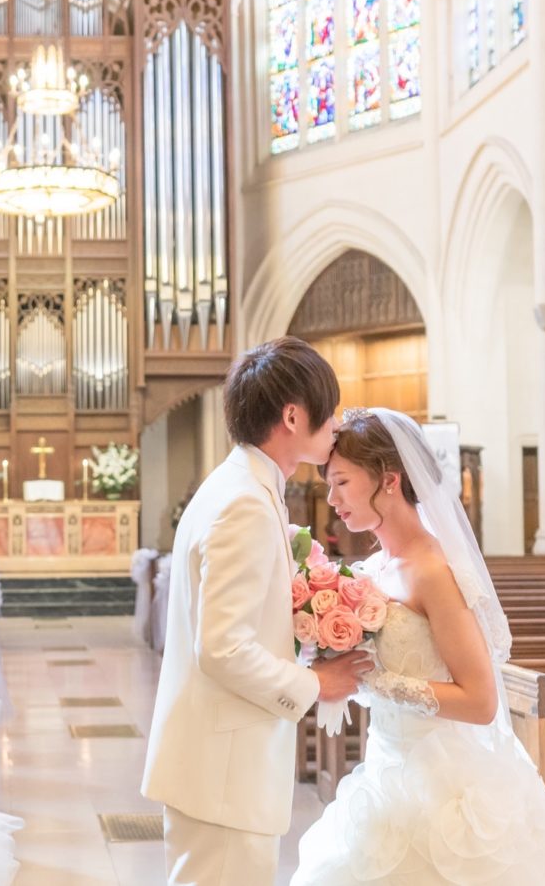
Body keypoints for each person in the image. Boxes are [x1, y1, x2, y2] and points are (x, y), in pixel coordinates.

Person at [291, 408, 545, 885]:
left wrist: (379, 683)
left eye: (341, 482)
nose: (332, 498)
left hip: (449, 788)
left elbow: (481, 701)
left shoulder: (433, 571)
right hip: (385, 773)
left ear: (388, 480)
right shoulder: (372, 571)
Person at [142, 337, 373, 886]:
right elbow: (222, 648)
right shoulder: (243, 501)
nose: (336, 424)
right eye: (330, 409)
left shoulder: (244, 487)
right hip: (224, 774)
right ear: (293, 415)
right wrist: (317, 682)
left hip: (221, 766)